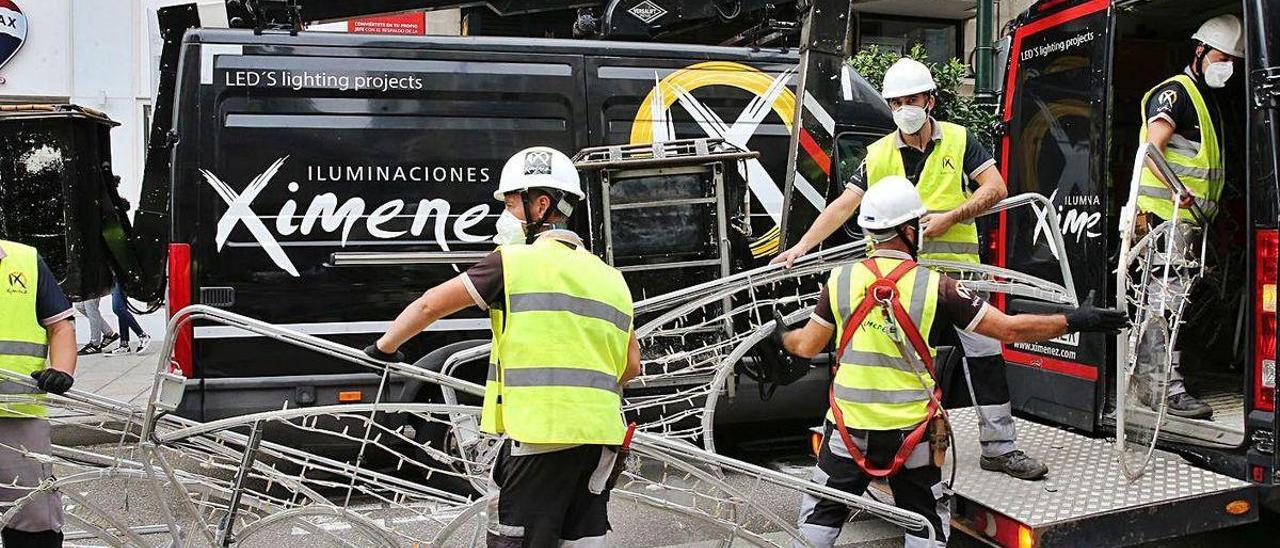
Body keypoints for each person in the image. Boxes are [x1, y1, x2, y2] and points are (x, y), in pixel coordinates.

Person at [774, 178, 1128, 547]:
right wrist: (1075, 320)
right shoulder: (937, 286)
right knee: (924, 525)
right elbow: (1006, 330)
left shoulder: (840, 280)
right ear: (909, 230)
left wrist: (780, 336)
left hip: (848, 432)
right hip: (911, 437)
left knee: (820, 520)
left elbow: (805, 345)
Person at [772, 57, 1045, 480]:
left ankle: (1000, 448)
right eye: (896, 101)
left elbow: (996, 188)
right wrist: (801, 247)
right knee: (905, 362)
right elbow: (845, 203)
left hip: (957, 278)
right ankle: (903, 445)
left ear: (930, 100)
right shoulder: (878, 153)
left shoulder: (959, 140)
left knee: (986, 358)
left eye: (912, 99)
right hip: (900, 284)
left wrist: (952, 216)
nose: (904, 108)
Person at [366, 147, 641, 547]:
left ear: (541, 204)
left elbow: (429, 304)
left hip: (541, 441)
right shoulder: (611, 278)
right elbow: (631, 365)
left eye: (512, 203)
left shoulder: (511, 263)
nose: (505, 215)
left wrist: (384, 349)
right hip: (601, 443)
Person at [1130, 14, 1244, 420]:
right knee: (1162, 305)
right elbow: (1152, 147)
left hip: (1187, 221)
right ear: (1200, 51)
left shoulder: (1206, 97)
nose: (1227, 64)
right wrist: (1178, 188)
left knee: (1170, 304)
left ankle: (1158, 383)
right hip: (1165, 218)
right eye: (1221, 55)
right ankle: (1163, 390)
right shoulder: (1177, 92)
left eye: (1233, 58)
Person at [0, 239, 78, 547]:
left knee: (34, 517)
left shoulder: (25, 260)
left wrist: (62, 370)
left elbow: (60, 326)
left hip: (17, 414)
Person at [106, 281, 150, 357]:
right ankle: (124, 344)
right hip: (115, 276)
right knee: (121, 308)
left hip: (120, 276)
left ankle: (142, 335)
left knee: (118, 308)